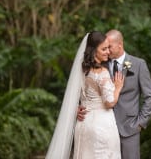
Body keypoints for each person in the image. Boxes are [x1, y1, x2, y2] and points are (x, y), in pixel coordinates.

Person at [77, 29, 151, 159]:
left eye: (110, 46)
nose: (107, 50)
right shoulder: (99, 63)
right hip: (103, 128)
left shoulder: (138, 64)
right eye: (105, 47)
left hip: (129, 129)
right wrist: (78, 107)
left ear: (120, 44)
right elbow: (86, 89)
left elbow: (150, 97)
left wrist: (140, 123)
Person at [45, 31, 124, 159]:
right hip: (101, 125)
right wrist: (118, 88)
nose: (108, 52)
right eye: (103, 49)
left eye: (108, 48)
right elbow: (109, 102)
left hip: (83, 124)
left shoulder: (83, 69)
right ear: (93, 51)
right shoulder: (102, 72)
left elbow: (76, 95)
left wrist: (77, 109)